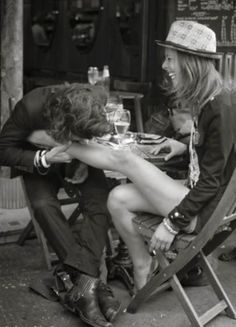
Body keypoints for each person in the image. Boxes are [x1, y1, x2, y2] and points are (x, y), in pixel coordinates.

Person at [35, 21, 235, 291]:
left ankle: (66, 146)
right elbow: (216, 158)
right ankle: (143, 265)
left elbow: (213, 180)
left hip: (203, 212)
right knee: (117, 198)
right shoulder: (209, 98)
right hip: (197, 196)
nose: (165, 66)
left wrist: (173, 223)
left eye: (170, 59)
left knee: (127, 161)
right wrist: (184, 147)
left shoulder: (220, 107)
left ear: (190, 62)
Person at [0, 84, 121, 327]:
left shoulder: (97, 96)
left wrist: (83, 146)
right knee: (43, 205)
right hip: (40, 161)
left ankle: (83, 288)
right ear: (63, 124)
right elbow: (3, 149)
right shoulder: (30, 107)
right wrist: (43, 157)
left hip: (80, 158)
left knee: (101, 200)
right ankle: (91, 282)